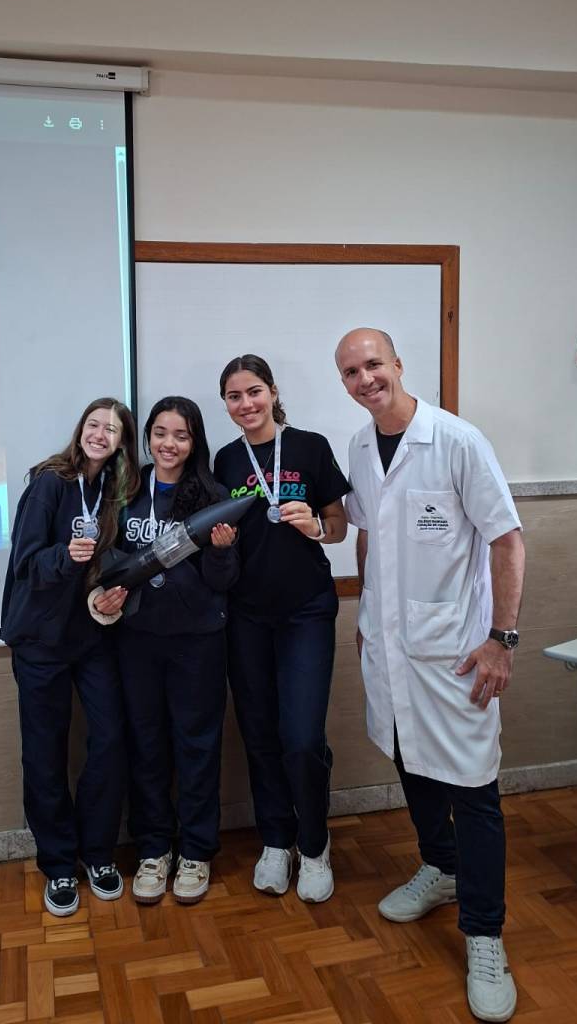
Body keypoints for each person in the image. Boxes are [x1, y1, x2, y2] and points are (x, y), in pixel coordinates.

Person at [334, 328, 525, 1024]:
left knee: (473, 788)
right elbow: (366, 530)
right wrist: (366, 608)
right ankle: (440, 868)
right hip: (390, 647)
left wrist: (502, 639)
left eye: (373, 364)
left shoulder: (456, 441)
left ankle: (485, 935)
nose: (364, 379)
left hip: (456, 652)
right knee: (408, 759)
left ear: (397, 364)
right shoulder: (359, 446)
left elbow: (507, 540)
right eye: (350, 371)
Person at [92, 396, 238, 905]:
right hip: (137, 642)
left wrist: (221, 552)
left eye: (180, 435)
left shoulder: (213, 496)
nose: (168, 444)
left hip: (198, 642)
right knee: (147, 744)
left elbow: (223, 581)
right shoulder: (127, 491)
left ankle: (195, 851)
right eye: (160, 433)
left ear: (194, 441)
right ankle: (154, 848)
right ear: (147, 437)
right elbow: (108, 560)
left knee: (197, 745)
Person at [214, 354, 349, 902]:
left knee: (302, 737)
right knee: (259, 732)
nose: (246, 404)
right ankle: (276, 839)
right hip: (246, 615)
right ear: (226, 404)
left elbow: (339, 525)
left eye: (254, 392)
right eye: (234, 396)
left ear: (272, 392)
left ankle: (313, 845)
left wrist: (316, 525)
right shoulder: (225, 460)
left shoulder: (310, 447)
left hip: (306, 612)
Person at [1, 398, 140, 917]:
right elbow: (25, 561)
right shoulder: (50, 483)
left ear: (123, 441)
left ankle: (97, 853)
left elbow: (118, 563)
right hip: (40, 640)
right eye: (93, 424)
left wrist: (117, 591)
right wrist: (64, 556)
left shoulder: (119, 492)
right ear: (80, 429)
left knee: (110, 738)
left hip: (92, 637)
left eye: (112, 429)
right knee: (44, 753)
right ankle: (59, 863)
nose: (100, 434)